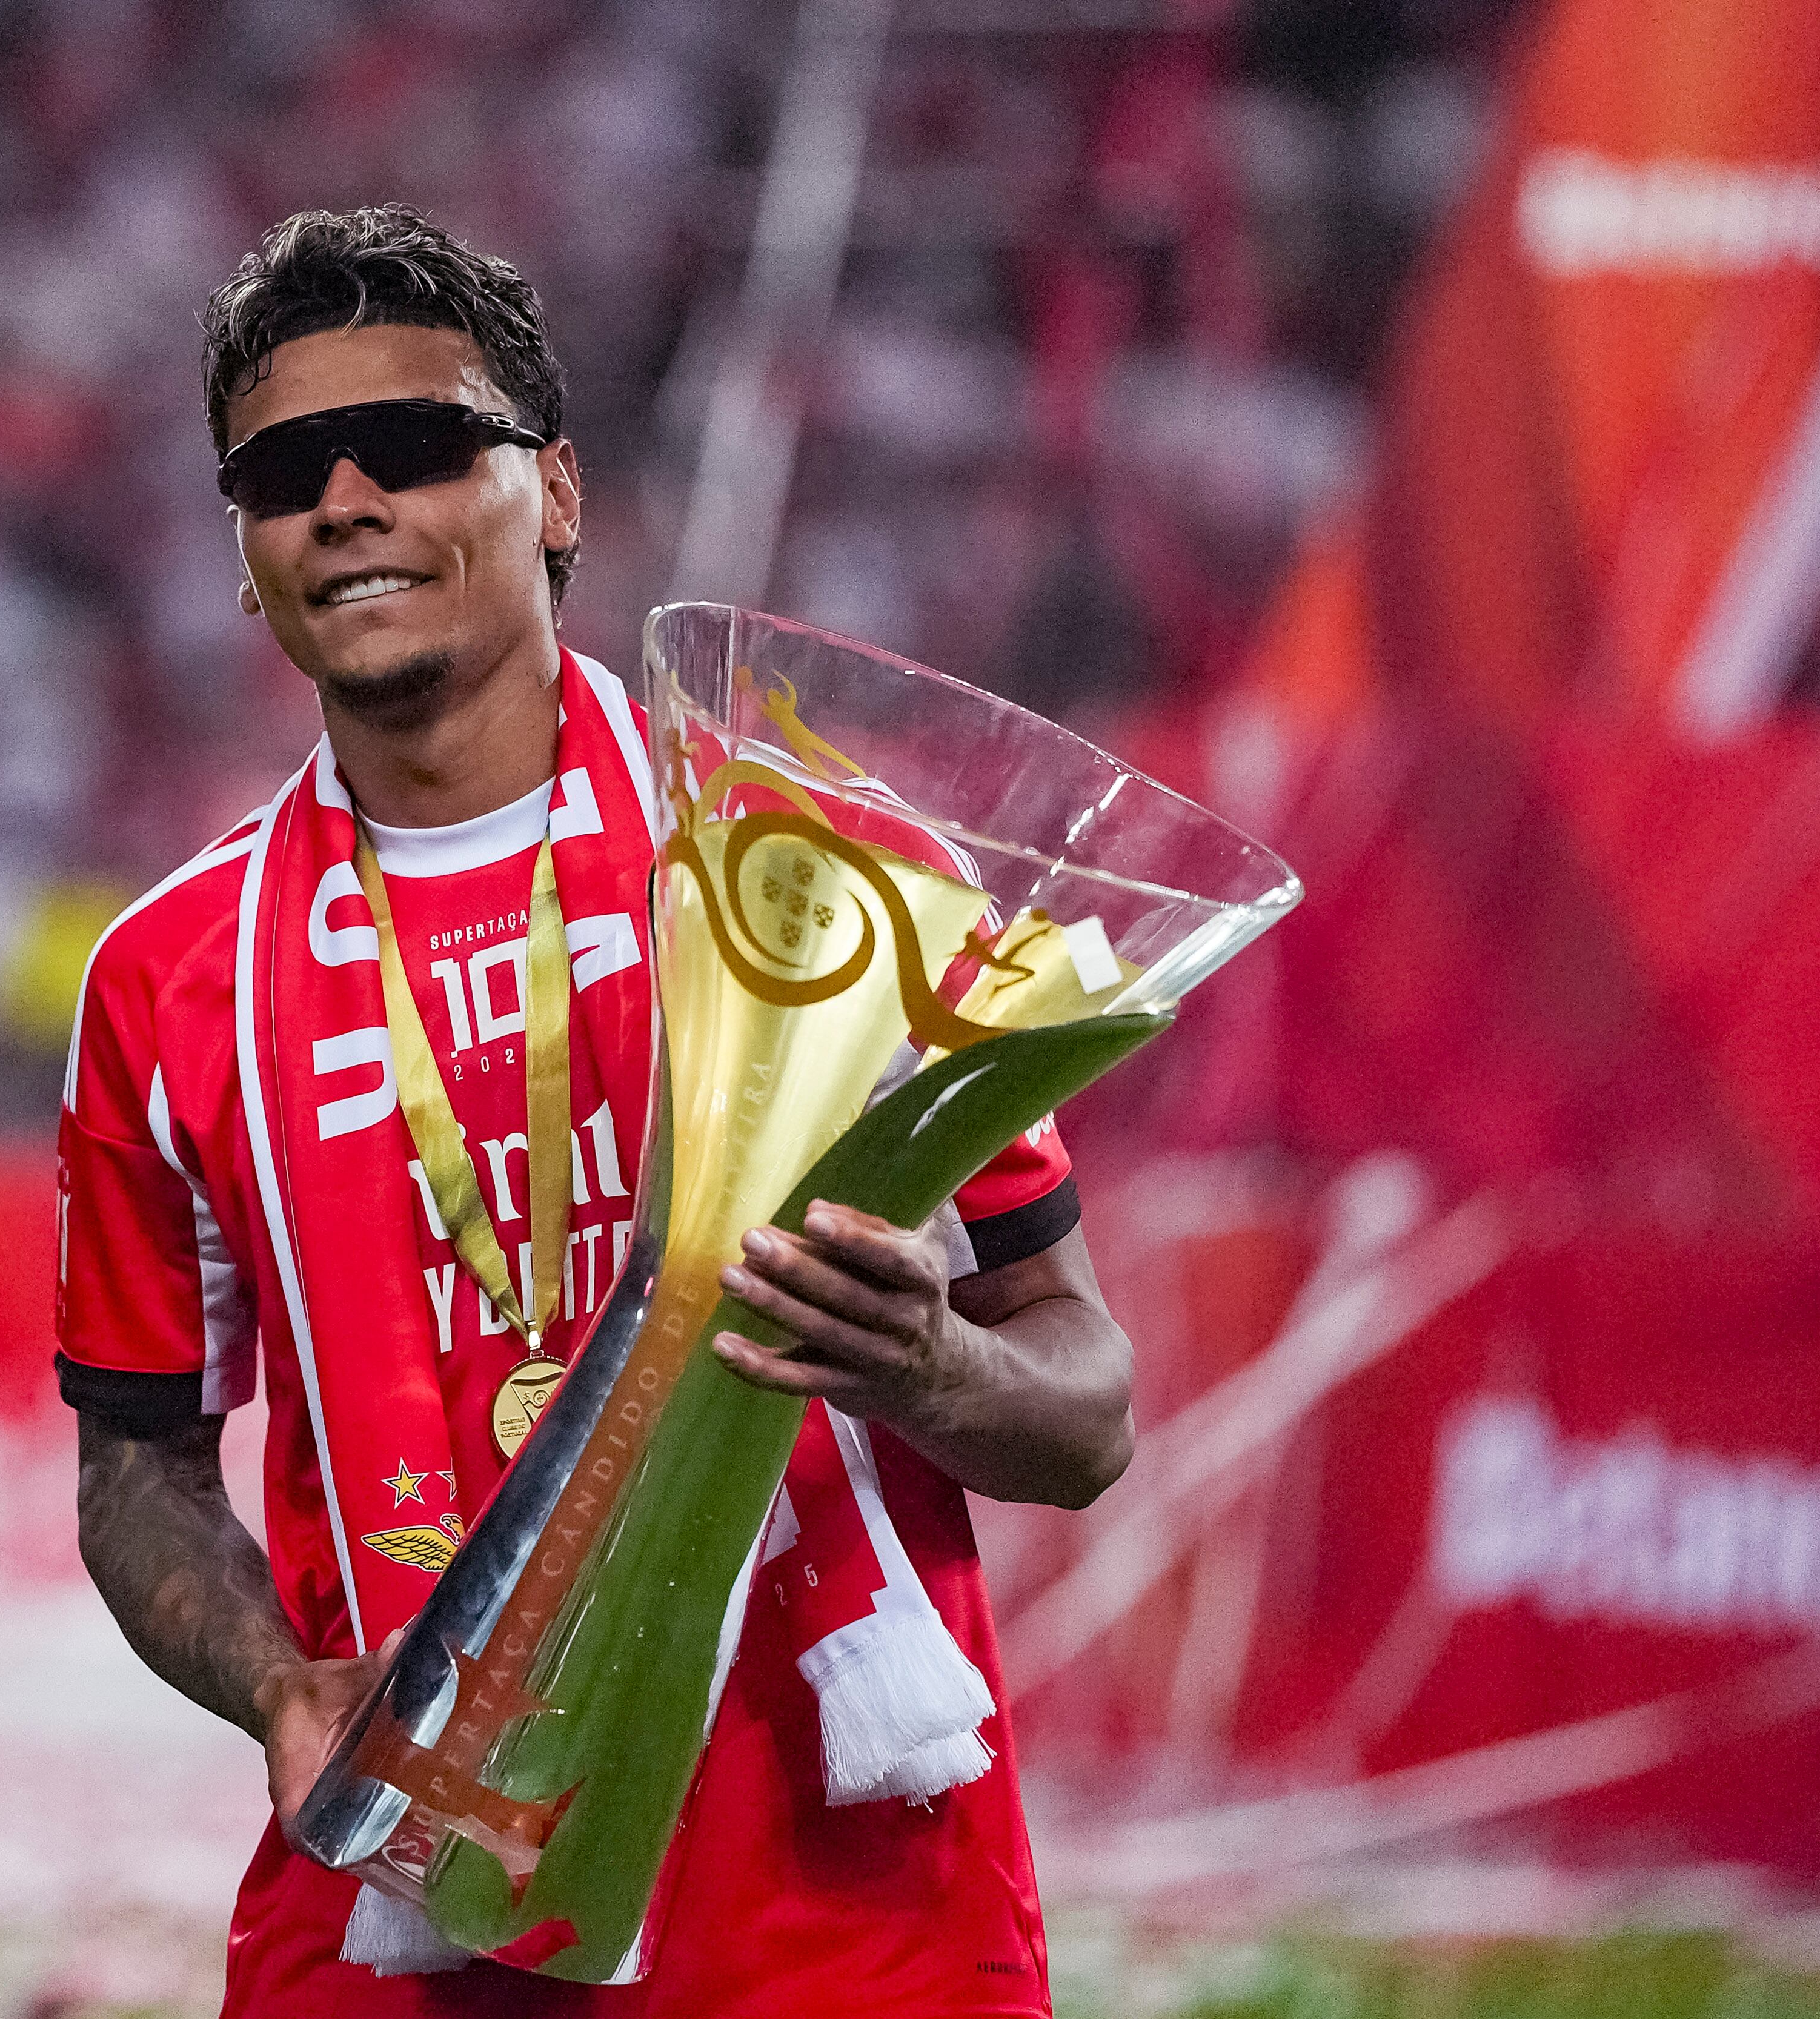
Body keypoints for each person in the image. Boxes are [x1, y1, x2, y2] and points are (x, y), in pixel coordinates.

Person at [55, 207, 1137, 2017]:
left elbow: (1085, 1406)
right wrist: (283, 1685)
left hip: (838, 1904)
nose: (343, 497)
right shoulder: (168, 979)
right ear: (246, 559)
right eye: (280, 472)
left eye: (411, 444)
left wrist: (931, 1367)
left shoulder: (825, 883)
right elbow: (133, 1464)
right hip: (411, 1883)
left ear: (552, 491)